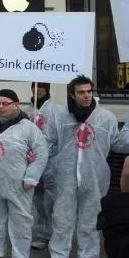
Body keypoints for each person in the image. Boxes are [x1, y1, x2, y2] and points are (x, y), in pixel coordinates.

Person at [45, 75, 129, 258]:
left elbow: (118, 144)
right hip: (65, 178)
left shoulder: (106, 117)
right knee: (61, 223)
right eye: (81, 92)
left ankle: (88, 255)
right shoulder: (60, 116)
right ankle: (59, 255)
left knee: (90, 224)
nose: (87, 95)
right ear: (72, 95)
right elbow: (47, 142)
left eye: (89, 91)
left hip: (95, 179)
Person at [0, 89, 48, 258]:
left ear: (15, 105)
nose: (0, 107)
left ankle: (20, 255)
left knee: (20, 224)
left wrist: (32, 176)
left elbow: (42, 152)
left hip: (19, 186)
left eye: (5, 103)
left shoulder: (27, 127)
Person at [23, 82, 56, 251]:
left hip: (51, 162)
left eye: (41, 86)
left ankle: (56, 235)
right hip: (32, 161)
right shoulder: (28, 111)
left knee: (52, 201)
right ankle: (42, 234)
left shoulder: (55, 111)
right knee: (38, 200)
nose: (37, 89)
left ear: (47, 89)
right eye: (34, 86)